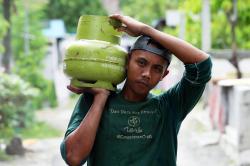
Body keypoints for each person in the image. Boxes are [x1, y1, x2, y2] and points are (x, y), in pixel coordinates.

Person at [60, 14, 212, 166]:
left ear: (164, 75)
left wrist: (145, 30)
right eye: (141, 63)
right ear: (127, 61)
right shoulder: (93, 99)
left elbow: (202, 64)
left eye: (157, 69)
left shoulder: (169, 107)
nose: (147, 74)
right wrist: (101, 98)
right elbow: (73, 157)